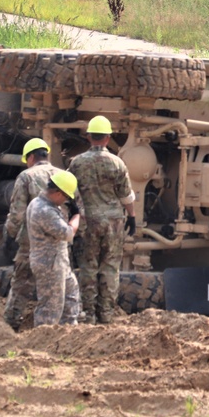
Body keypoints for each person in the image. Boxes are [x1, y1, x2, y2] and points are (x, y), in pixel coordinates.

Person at [68, 116, 137, 324]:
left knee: (88, 267)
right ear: (108, 138)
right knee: (110, 267)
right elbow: (126, 196)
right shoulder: (117, 163)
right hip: (113, 222)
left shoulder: (77, 163)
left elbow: (69, 192)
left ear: (89, 137)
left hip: (87, 222)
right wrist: (131, 216)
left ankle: (87, 314)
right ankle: (106, 313)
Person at [3, 137, 75, 330]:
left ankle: (11, 324)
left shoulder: (26, 176)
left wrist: (9, 237)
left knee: (20, 285)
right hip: (57, 241)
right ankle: (66, 329)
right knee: (62, 289)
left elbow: (17, 213)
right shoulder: (61, 174)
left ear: (31, 157)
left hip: (31, 240)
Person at [26, 170, 83, 327]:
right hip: (49, 264)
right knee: (51, 308)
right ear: (58, 192)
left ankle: (67, 333)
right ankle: (42, 341)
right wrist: (76, 216)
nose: (65, 201)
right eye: (65, 196)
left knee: (71, 296)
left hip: (58, 262)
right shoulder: (44, 210)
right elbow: (67, 233)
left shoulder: (44, 204)